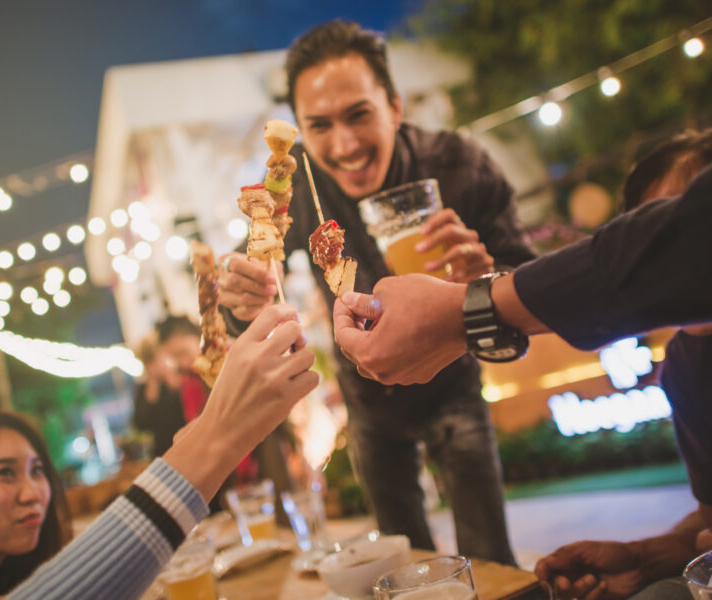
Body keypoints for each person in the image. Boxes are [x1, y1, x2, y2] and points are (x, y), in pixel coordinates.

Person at [219, 19, 532, 563]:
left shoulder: (460, 166)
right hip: (368, 402)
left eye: (359, 115)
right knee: (402, 569)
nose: (343, 145)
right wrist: (239, 302)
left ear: (394, 106)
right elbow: (252, 276)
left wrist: (488, 281)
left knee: (491, 564)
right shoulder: (295, 188)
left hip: (453, 386)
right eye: (319, 126)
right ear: (300, 130)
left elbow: (528, 289)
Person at [333, 164, 712, 598]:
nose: (654, 262)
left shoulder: (459, 161)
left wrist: (467, 307)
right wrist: (646, 557)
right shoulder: (687, 363)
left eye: (666, 231)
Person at [0, 304, 317, 600]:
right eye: (4, 473)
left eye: (37, 471)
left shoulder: (2, 577)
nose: (32, 493)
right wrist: (222, 435)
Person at [533, 130, 712, 600]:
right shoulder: (686, 366)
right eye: (650, 247)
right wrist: (641, 558)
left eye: (682, 233)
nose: (670, 266)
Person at [131, 331, 187, 457]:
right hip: (163, 449)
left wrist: (170, 379)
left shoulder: (179, 377)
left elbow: (189, 407)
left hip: (186, 441)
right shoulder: (143, 389)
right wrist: (153, 386)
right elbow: (140, 425)